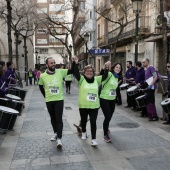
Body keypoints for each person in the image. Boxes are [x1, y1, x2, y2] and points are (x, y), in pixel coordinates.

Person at [73, 56, 109, 146]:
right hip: (83, 105)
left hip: (94, 106)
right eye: (87, 71)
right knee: (84, 121)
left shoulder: (96, 79)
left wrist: (106, 68)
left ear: (93, 72)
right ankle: (84, 132)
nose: (89, 72)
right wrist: (76, 63)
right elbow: (76, 72)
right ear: (84, 72)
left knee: (93, 122)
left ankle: (93, 139)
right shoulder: (81, 79)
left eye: (91, 71)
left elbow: (104, 77)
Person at [39, 57, 74, 148]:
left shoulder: (60, 72)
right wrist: (45, 96)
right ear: (47, 65)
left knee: (58, 119)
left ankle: (59, 138)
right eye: (51, 63)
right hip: (49, 100)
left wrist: (74, 62)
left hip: (59, 99)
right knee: (53, 118)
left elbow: (72, 70)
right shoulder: (43, 76)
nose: (53, 64)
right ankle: (55, 133)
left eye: (54, 62)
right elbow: (40, 86)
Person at [99, 62, 122, 143]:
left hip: (112, 99)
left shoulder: (117, 77)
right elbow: (102, 74)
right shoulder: (109, 74)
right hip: (104, 98)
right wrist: (105, 67)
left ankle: (106, 127)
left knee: (110, 116)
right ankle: (105, 135)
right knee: (108, 116)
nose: (118, 69)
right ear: (113, 68)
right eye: (117, 67)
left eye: (119, 68)